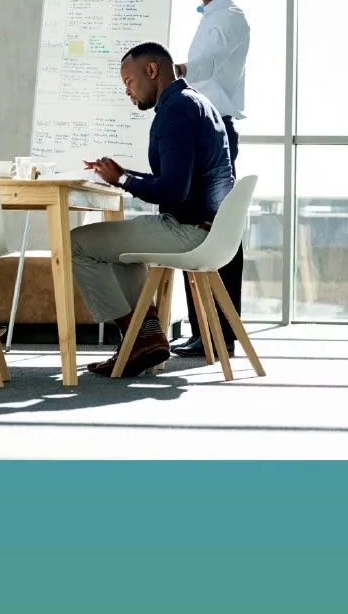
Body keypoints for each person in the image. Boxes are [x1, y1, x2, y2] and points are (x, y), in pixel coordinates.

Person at [73, 42, 234, 377]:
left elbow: (174, 190)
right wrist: (122, 176)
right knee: (116, 246)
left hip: (186, 232)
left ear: (151, 71)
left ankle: (137, 334)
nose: (128, 93)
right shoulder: (198, 103)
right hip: (208, 230)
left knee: (76, 243)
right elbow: (178, 180)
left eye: (130, 82)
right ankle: (144, 334)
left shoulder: (174, 112)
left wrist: (123, 179)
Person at [170, 0, 250, 359]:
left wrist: (175, 70)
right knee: (192, 228)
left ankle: (221, 331)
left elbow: (211, 63)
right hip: (200, 133)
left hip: (215, 135)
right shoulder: (209, 17)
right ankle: (205, 329)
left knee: (217, 231)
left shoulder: (230, 18)